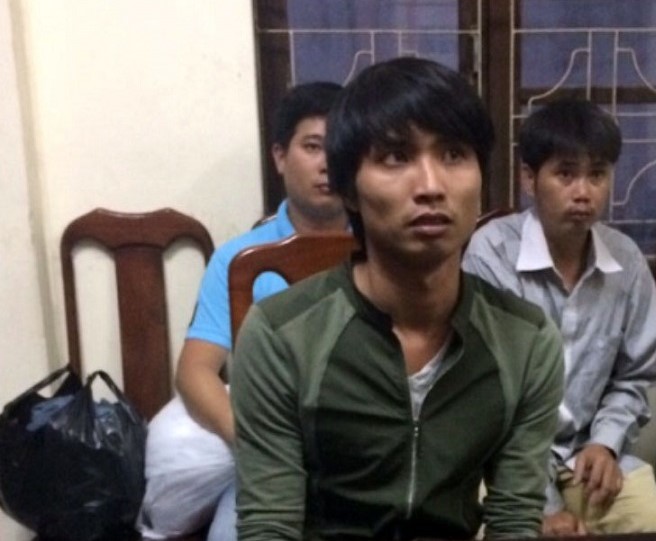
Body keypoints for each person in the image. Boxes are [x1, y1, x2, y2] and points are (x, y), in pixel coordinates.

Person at [230, 57, 564, 541]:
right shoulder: (281, 335)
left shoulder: (526, 341)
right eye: (395, 157)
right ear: (348, 190)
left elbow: (514, 521)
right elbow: (269, 526)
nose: (431, 186)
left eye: (454, 154)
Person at [463, 97, 656, 535]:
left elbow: (634, 377)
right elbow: (484, 388)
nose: (583, 192)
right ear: (529, 178)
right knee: (501, 530)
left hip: (588, 455)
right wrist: (542, 509)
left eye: (597, 174)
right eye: (565, 174)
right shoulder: (492, 254)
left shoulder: (626, 262)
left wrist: (606, 444)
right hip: (501, 457)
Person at [141, 82, 347, 541]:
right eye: (313, 146)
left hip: (364, 455)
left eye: (339, 147)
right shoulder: (241, 260)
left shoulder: (384, 250)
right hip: (267, 451)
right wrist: (258, 444)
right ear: (280, 157)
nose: (327, 163)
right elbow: (195, 370)